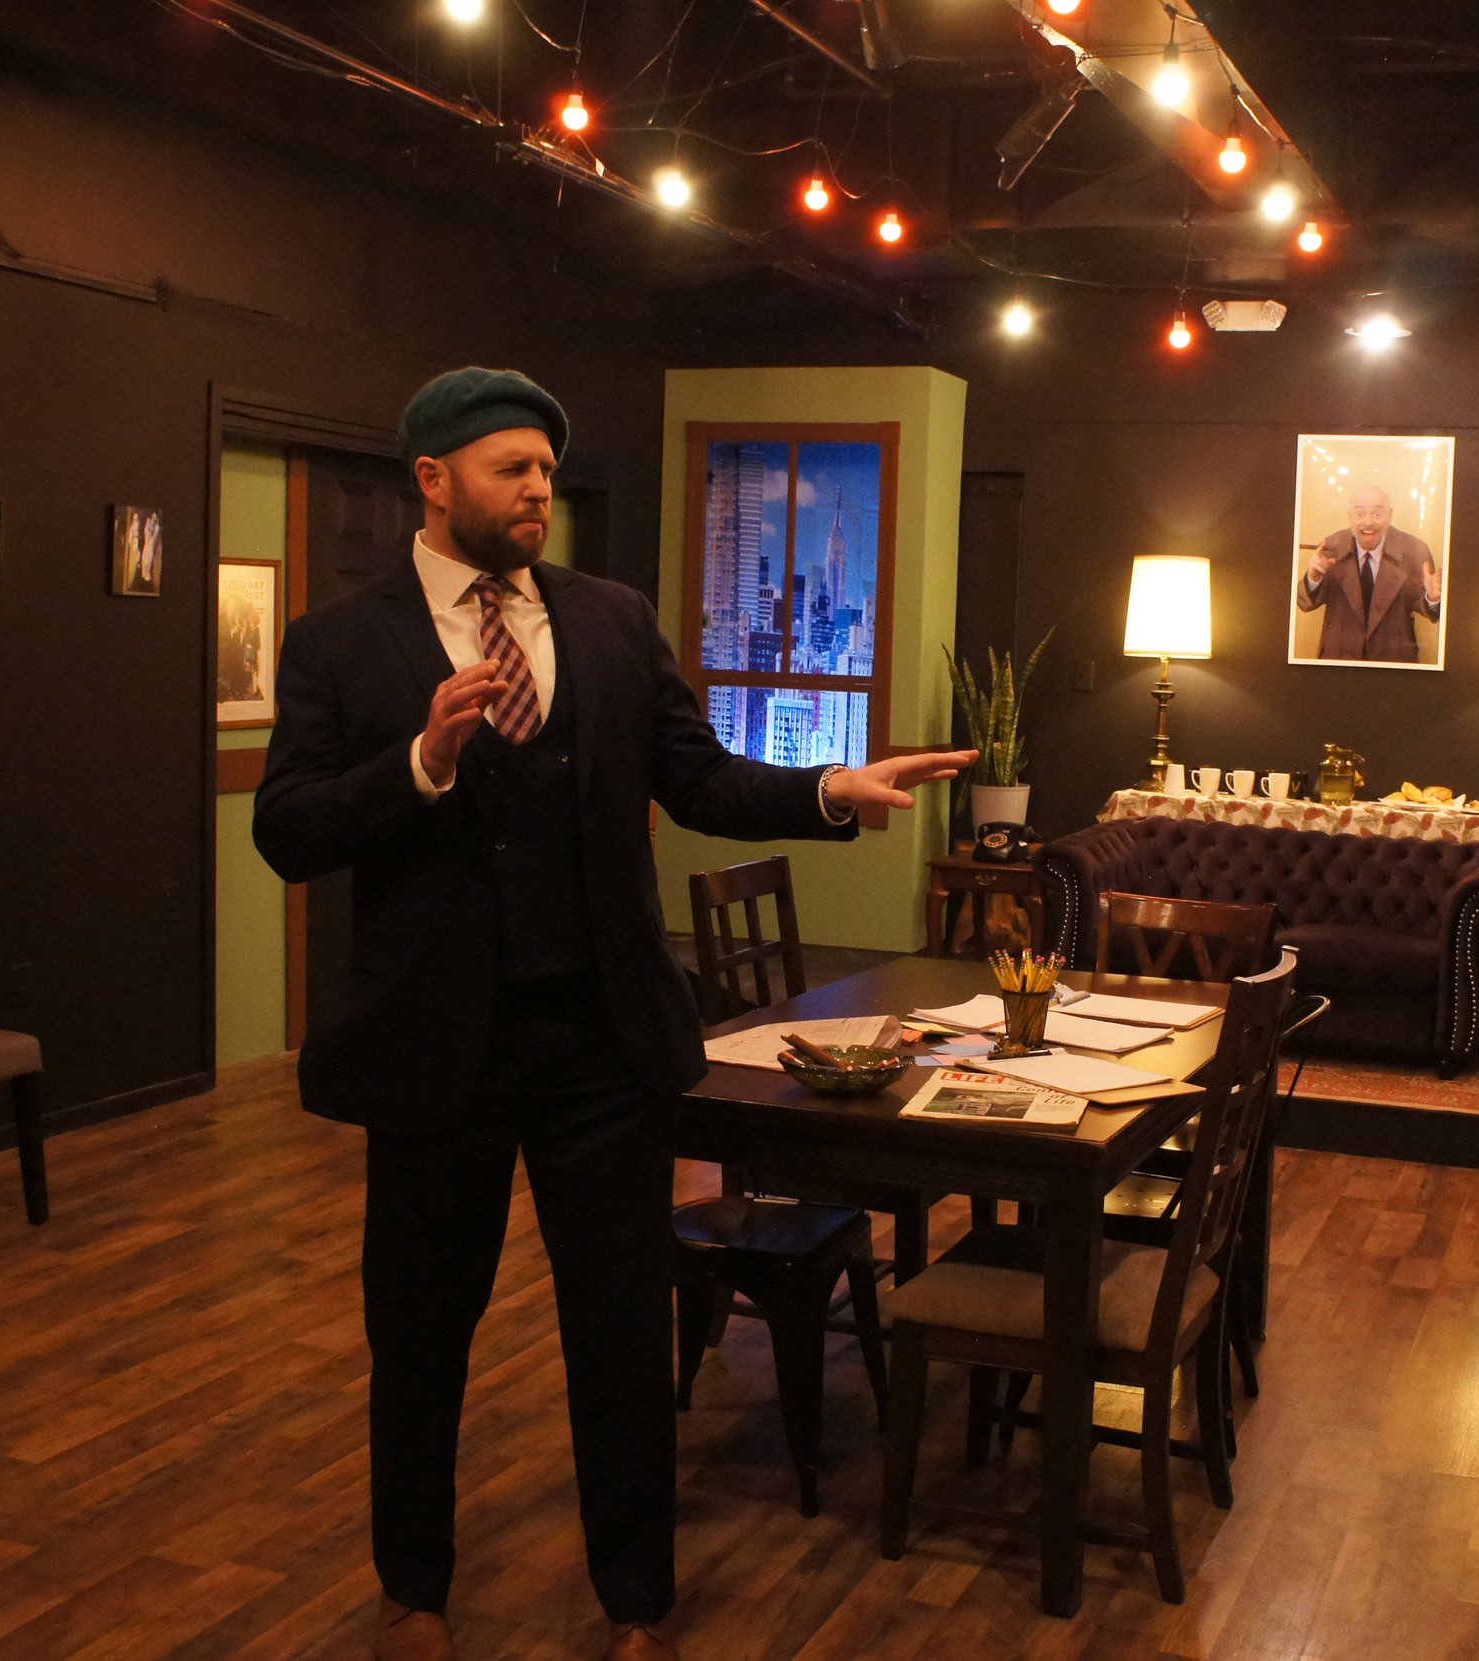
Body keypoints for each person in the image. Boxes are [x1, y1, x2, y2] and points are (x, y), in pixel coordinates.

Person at [252, 367, 972, 1661]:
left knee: (621, 1330)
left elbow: (697, 778)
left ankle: (637, 1601)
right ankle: (414, 1592)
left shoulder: (609, 619)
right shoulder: (341, 642)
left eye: (546, 468)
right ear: (434, 480)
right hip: (436, 1052)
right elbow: (288, 830)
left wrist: (827, 789)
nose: (538, 490)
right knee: (419, 1336)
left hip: (602, 1046)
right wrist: (419, 761)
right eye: (511, 468)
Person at [1294, 485, 1441, 662]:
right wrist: (1313, 579)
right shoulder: (1331, 547)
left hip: (1393, 661)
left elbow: (1431, 610)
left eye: (1377, 514)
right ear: (1350, 516)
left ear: (1390, 515)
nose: (1368, 522)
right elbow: (1304, 603)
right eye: (1360, 514)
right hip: (1340, 659)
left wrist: (1433, 599)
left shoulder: (1414, 550)